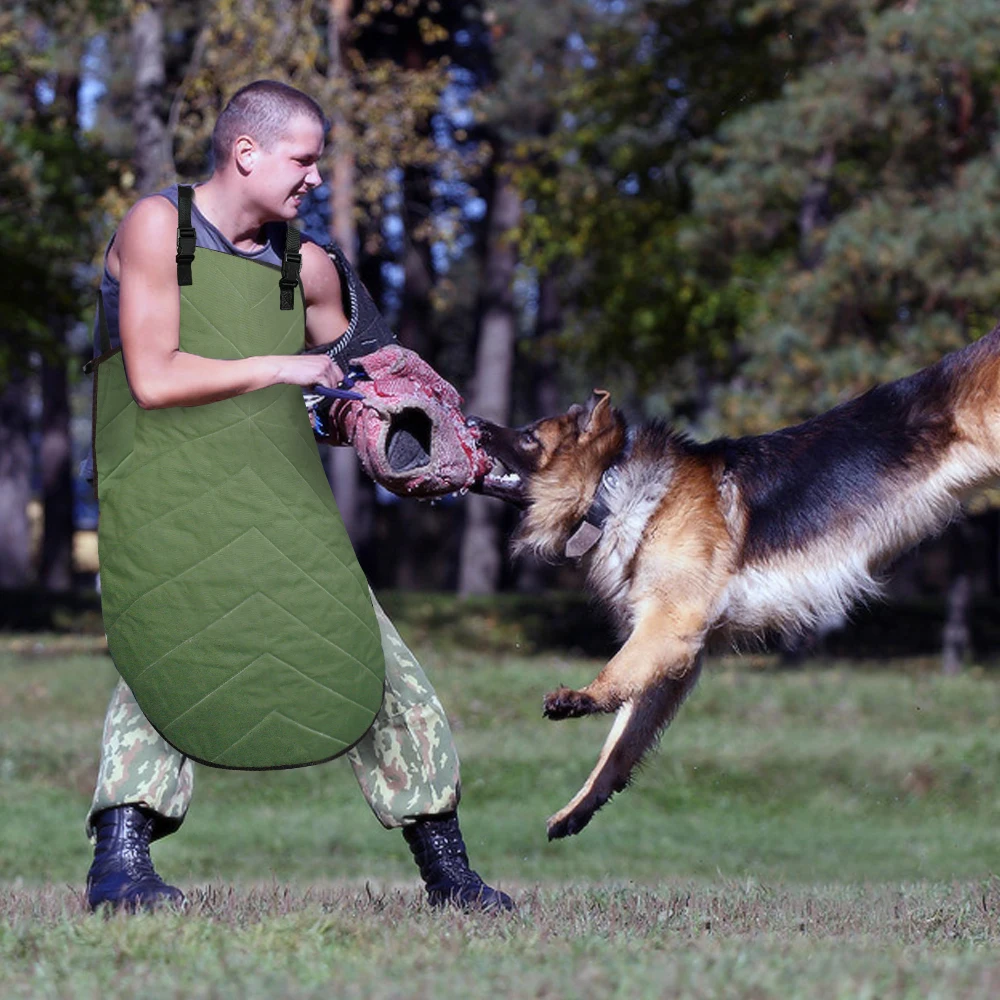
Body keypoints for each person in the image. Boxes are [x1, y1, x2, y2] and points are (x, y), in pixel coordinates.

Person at [80, 80, 512, 913]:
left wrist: (410, 431)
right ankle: (120, 867)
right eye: (304, 159)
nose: (316, 177)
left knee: (381, 670)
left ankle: (450, 877)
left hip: (274, 496)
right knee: (167, 665)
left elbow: (376, 380)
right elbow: (155, 376)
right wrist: (289, 368)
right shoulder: (156, 229)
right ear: (246, 153)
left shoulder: (306, 267)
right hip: (168, 493)